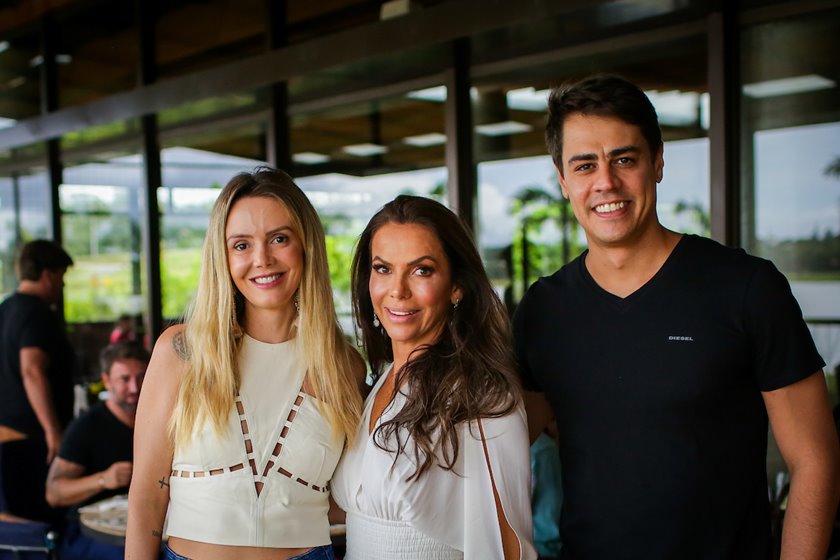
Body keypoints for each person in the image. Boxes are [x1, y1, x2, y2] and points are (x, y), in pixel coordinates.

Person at [514, 74, 840, 559]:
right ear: (563, 181)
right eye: (584, 165)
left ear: (658, 162)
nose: (606, 181)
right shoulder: (543, 310)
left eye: (624, 158)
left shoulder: (746, 288)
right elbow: (500, 446)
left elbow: (815, 461)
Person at [125, 167, 364, 560]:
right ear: (222, 255)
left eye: (280, 239)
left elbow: (347, 497)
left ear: (306, 246)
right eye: (241, 245)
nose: (262, 259)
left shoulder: (344, 366)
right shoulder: (182, 351)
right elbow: (147, 495)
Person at [332, 195, 537, 559]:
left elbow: (506, 547)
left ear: (456, 286)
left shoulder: (482, 396)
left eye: (421, 270)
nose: (398, 290)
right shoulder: (382, 383)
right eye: (383, 269)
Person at [45, 341, 149, 559]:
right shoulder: (87, 427)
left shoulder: (158, 421)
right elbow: (54, 493)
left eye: (141, 377)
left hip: (144, 527)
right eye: (124, 379)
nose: (135, 387)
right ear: (106, 381)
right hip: (90, 536)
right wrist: (103, 479)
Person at [0, 239, 75, 524]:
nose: (62, 287)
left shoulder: (5, 309)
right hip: (30, 438)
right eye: (62, 277)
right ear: (48, 275)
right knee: (40, 524)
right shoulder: (37, 313)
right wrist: (53, 430)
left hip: (8, 435)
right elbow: (32, 370)